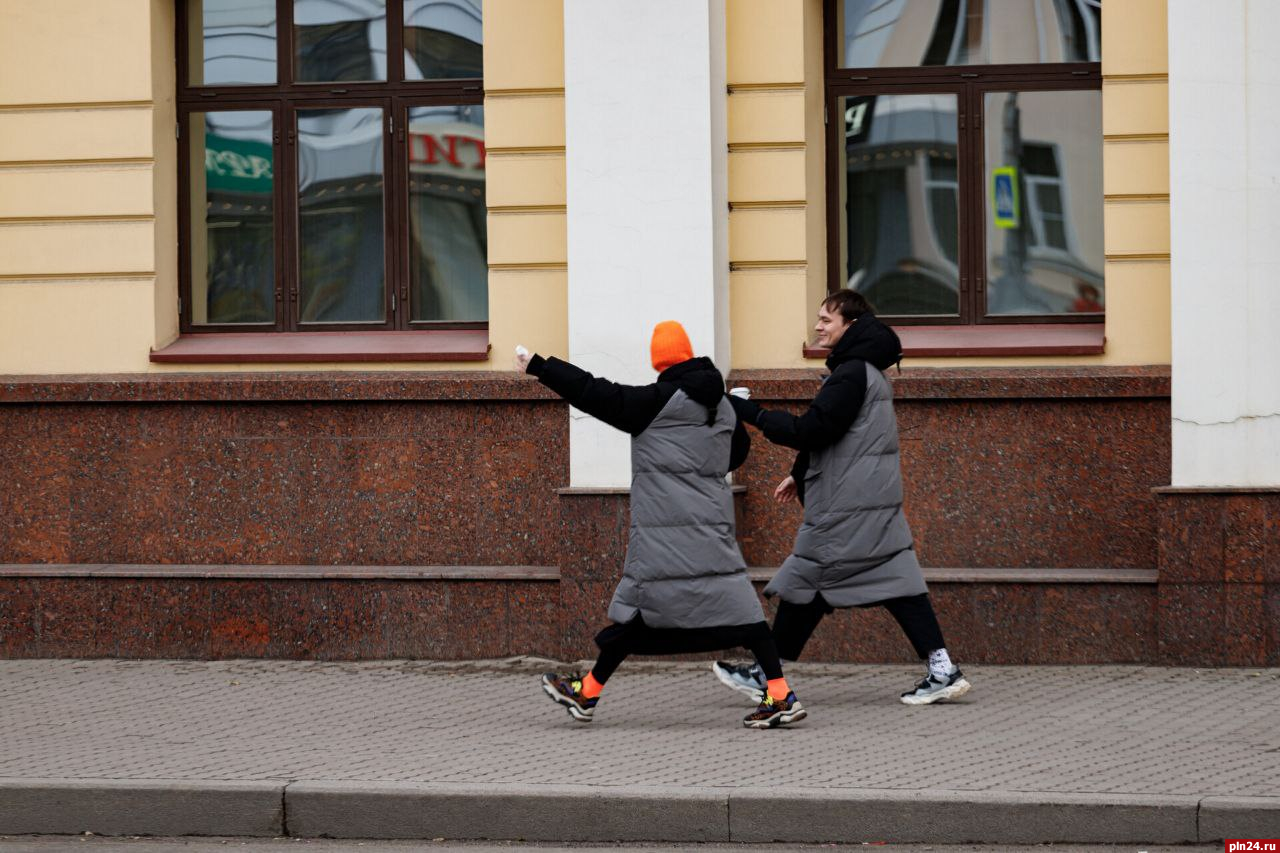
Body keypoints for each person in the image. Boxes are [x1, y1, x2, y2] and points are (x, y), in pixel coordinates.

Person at [519, 321, 807, 729]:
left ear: (660, 361)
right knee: (741, 612)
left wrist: (540, 366)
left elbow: (594, 392)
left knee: (640, 613)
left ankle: (587, 693)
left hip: (664, 537)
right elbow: (735, 455)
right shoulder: (723, 406)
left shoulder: (655, 402)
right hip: (710, 531)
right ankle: (780, 694)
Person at [711, 290, 971, 706]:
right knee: (888, 578)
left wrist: (750, 413)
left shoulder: (851, 374)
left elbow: (811, 429)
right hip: (867, 499)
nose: (818, 326)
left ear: (850, 325)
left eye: (826, 320)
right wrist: (799, 473)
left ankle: (766, 672)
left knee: (809, 578)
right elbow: (837, 433)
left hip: (846, 505)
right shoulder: (868, 373)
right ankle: (942, 669)